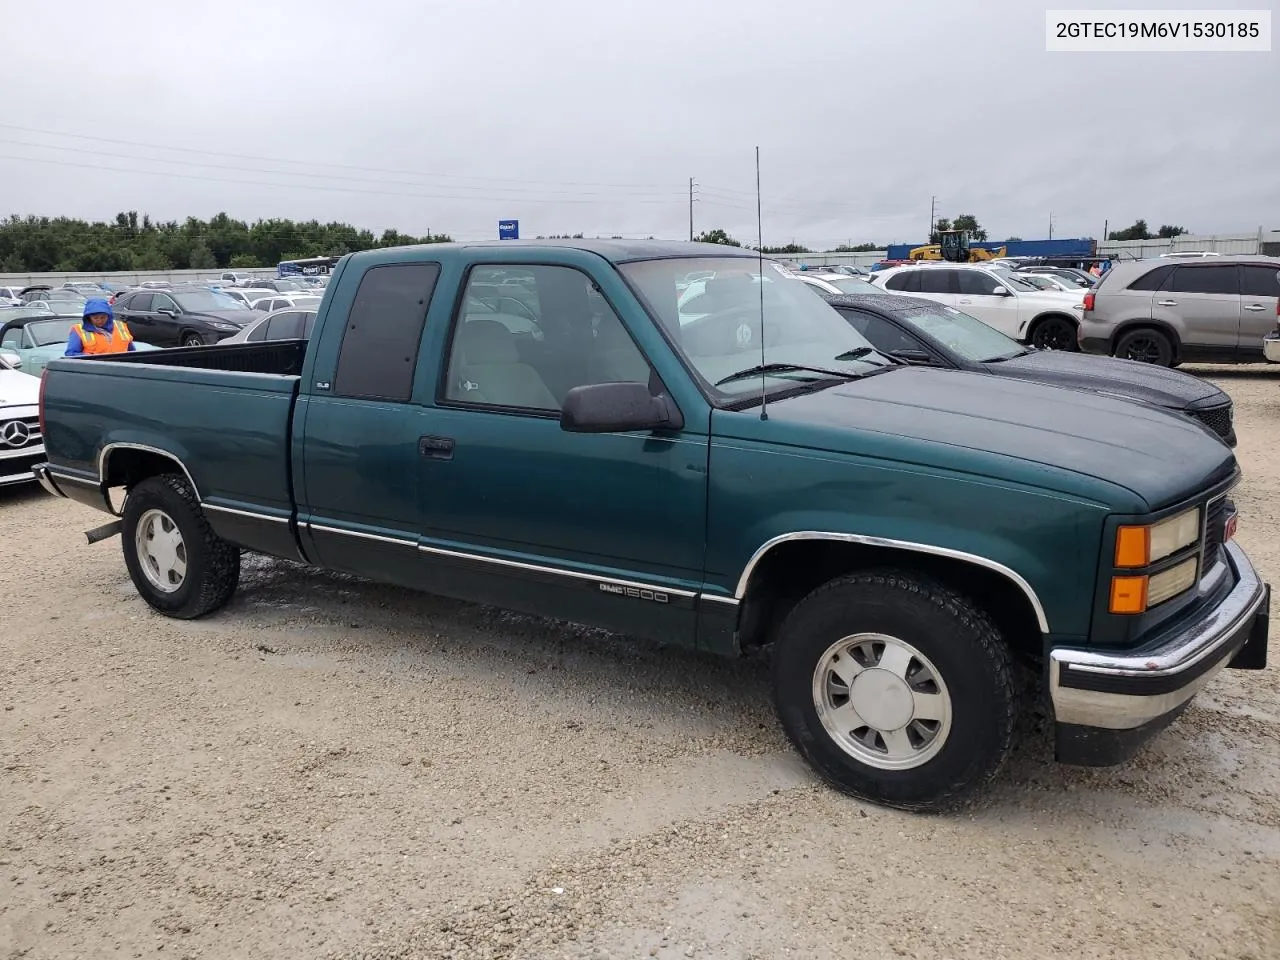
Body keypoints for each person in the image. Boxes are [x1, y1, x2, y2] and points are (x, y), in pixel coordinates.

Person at [65, 298, 135, 356]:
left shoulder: (121, 326)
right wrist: (88, 357)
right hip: (95, 369)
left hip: (121, 367)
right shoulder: (78, 330)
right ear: (89, 317)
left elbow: (132, 351)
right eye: (95, 318)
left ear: (109, 316)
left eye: (103, 317)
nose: (99, 320)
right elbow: (71, 354)